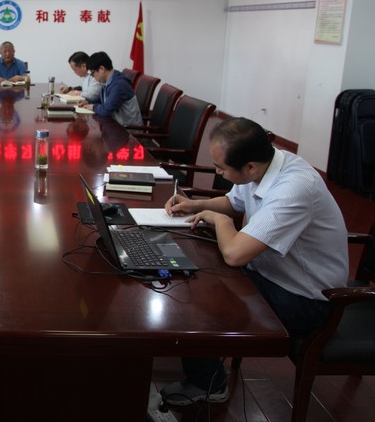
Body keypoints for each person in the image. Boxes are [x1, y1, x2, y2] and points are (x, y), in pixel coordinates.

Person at [160, 117, 349, 406]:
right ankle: (204, 365)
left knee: (199, 297)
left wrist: (221, 221)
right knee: (197, 276)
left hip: (306, 298)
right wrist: (195, 205)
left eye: (221, 168)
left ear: (250, 167)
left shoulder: (294, 188)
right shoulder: (265, 164)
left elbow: (235, 254)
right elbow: (234, 202)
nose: (218, 172)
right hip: (270, 273)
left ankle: (209, 384)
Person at [80, 51, 142, 126]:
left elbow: (106, 110)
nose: (93, 78)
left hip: (128, 130)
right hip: (116, 124)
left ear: (101, 69)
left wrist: (94, 107)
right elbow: (103, 100)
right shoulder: (109, 81)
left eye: (93, 74)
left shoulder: (119, 85)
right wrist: (89, 102)